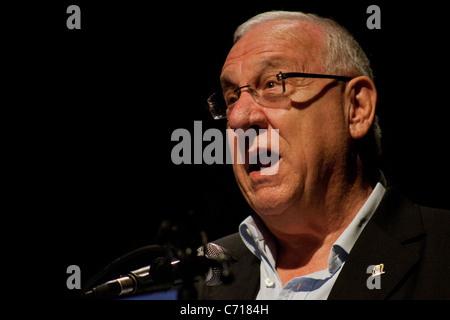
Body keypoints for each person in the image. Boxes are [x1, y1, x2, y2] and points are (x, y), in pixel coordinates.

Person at [201, 10, 450, 299]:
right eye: (232, 98)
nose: (239, 118)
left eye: (272, 83)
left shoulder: (443, 254)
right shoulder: (201, 275)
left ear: (356, 108)